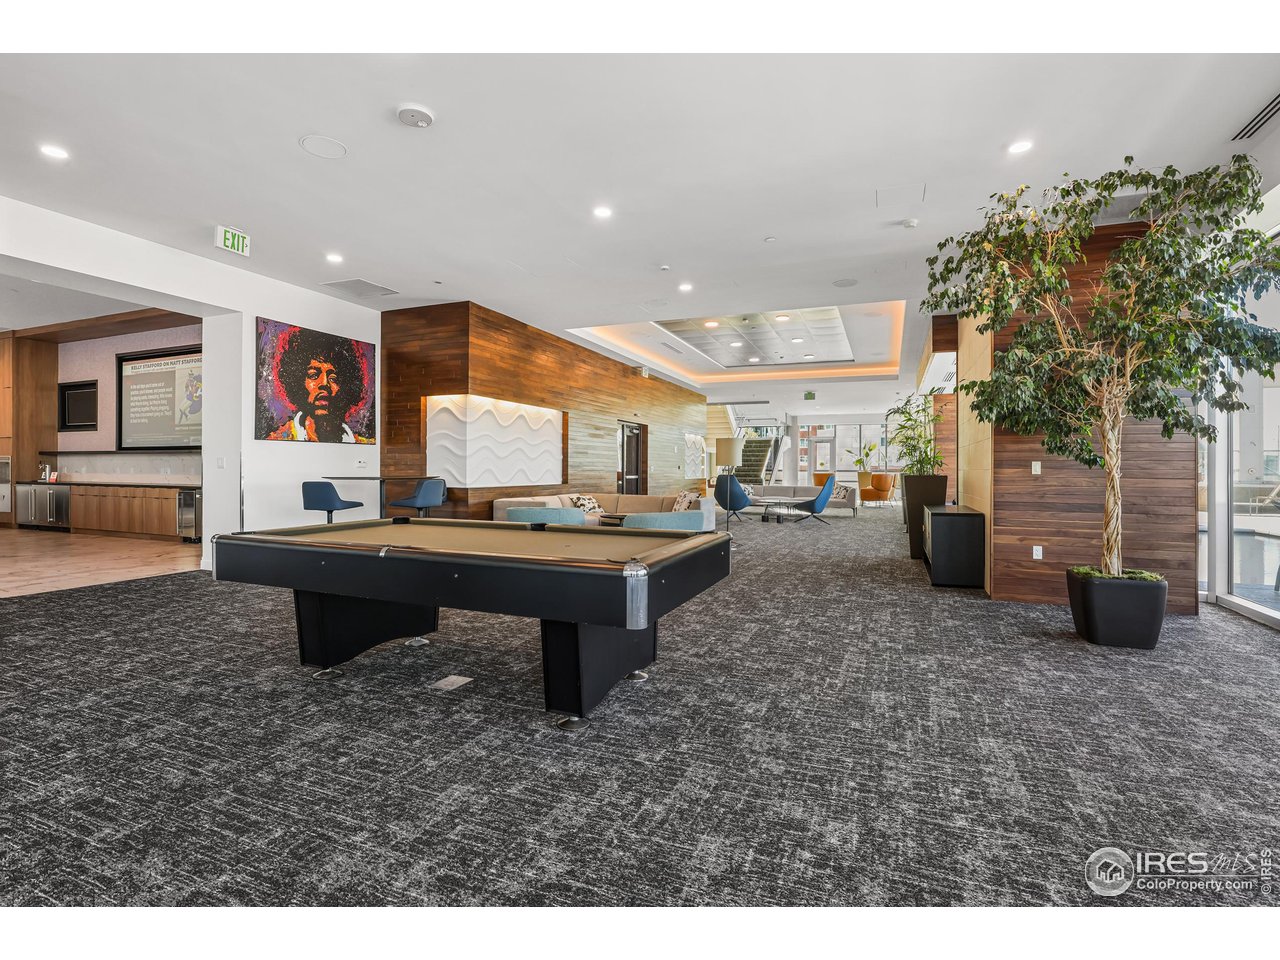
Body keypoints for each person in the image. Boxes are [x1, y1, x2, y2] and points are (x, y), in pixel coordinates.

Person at [266, 329, 374, 443]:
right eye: (313, 375)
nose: (324, 384)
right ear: (297, 381)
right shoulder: (279, 439)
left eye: (333, 378)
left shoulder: (362, 444)